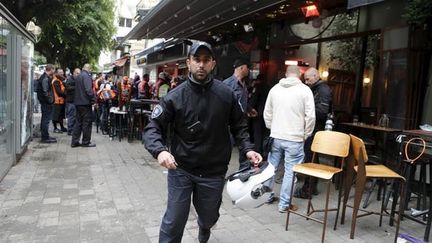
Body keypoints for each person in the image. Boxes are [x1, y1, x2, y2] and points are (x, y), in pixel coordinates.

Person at [143, 41, 262, 243]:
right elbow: (152, 127)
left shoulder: (226, 95)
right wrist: (160, 151)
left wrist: (248, 149)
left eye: (206, 60)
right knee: (174, 220)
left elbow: (239, 126)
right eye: (196, 60)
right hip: (181, 168)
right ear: (188, 63)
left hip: (213, 171)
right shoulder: (175, 97)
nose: (201, 65)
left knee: (209, 218)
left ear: (213, 64)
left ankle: (204, 227)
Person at [263, 65, 315, 213]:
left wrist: (272, 128)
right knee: (290, 172)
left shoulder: (275, 89)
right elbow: (310, 116)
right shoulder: (305, 90)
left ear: (286, 74)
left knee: (271, 168)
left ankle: (267, 196)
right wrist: (306, 133)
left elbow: (267, 113)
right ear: (299, 75)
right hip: (295, 137)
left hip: (276, 136)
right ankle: (284, 204)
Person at [294, 67, 332, 199]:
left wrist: (304, 111)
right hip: (313, 129)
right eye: (305, 80)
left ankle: (308, 189)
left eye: (308, 79)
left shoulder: (323, 90)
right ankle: (311, 187)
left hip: (316, 130)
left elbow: (322, 112)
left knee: (311, 158)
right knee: (312, 158)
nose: (306, 82)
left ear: (316, 76)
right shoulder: (316, 89)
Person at [223, 58, 252, 170]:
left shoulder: (243, 84)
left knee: (244, 145)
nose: (248, 70)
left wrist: (249, 109)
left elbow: (240, 101)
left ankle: (244, 170)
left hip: (242, 121)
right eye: (247, 67)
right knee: (226, 148)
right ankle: (220, 170)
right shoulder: (227, 84)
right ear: (242, 68)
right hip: (229, 123)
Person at [71, 63, 96, 148]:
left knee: (78, 123)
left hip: (78, 103)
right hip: (85, 103)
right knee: (86, 123)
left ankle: (74, 141)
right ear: (89, 69)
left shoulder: (78, 76)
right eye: (91, 69)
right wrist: (93, 100)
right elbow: (88, 90)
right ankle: (86, 142)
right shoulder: (86, 77)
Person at [248, 74, 270, 158]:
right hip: (267, 113)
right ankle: (265, 151)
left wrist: (249, 108)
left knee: (257, 134)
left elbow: (254, 98)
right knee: (265, 134)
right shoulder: (269, 87)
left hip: (258, 113)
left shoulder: (257, 87)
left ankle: (258, 152)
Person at [37, 64, 57, 143]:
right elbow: (45, 92)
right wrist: (50, 100)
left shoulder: (45, 77)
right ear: (51, 69)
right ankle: (45, 137)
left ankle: (45, 136)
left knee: (45, 119)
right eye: (54, 70)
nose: (54, 71)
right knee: (46, 120)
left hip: (45, 102)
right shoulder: (45, 78)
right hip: (46, 103)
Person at [51, 68, 67, 133]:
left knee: (60, 115)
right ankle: (55, 128)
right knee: (55, 116)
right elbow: (59, 92)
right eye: (60, 72)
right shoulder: (56, 81)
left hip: (61, 101)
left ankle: (62, 127)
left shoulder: (60, 80)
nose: (61, 73)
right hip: (56, 101)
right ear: (56, 73)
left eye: (62, 72)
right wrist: (67, 94)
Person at [65, 68, 80, 135]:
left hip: (75, 101)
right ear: (74, 73)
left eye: (79, 73)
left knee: (75, 116)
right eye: (77, 73)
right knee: (71, 116)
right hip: (71, 101)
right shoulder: (70, 79)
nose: (78, 74)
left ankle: (73, 129)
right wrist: (76, 87)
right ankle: (70, 130)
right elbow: (67, 88)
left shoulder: (77, 79)